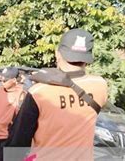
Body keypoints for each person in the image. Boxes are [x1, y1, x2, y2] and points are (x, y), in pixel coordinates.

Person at [6, 29, 108, 160]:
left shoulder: (40, 92)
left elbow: (17, 144)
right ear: (87, 58)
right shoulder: (100, 85)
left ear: (58, 54)